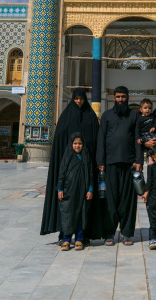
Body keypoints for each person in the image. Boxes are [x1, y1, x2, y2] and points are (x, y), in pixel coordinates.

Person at [41, 88, 102, 241]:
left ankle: (84, 235)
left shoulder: (91, 117)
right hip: (68, 170)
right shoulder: (65, 118)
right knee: (67, 204)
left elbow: (97, 140)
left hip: (86, 168)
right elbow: (60, 140)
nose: (79, 101)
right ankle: (65, 234)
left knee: (84, 204)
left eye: (81, 98)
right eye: (76, 98)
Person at [96, 86, 143, 246]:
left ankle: (126, 233)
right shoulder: (107, 115)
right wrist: (100, 161)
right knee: (110, 199)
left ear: (128, 97)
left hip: (129, 164)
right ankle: (109, 233)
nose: (120, 99)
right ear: (114, 98)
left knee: (128, 200)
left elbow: (137, 139)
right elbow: (101, 140)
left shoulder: (133, 116)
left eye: (123, 96)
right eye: (118, 97)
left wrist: (139, 161)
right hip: (110, 164)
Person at [58, 134, 94, 251]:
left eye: (79, 143)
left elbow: (90, 175)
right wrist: (60, 189)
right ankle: (66, 239)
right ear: (71, 144)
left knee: (80, 215)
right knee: (68, 214)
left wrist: (90, 190)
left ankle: (79, 239)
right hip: (69, 191)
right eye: (75, 143)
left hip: (82, 192)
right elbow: (61, 174)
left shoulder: (86, 157)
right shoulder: (67, 156)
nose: (77, 146)